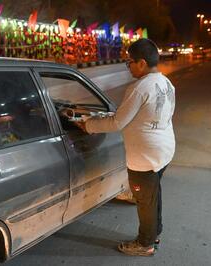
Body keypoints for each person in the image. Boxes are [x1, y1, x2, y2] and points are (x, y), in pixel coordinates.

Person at [75, 38, 176, 256]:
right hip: (164, 150)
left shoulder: (139, 87)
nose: (128, 66)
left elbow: (117, 123)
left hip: (145, 156)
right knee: (152, 195)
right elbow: (138, 116)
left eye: (129, 62)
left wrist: (88, 125)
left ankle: (145, 244)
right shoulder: (166, 82)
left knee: (144, 200)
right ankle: (154, 233)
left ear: (141, 63)